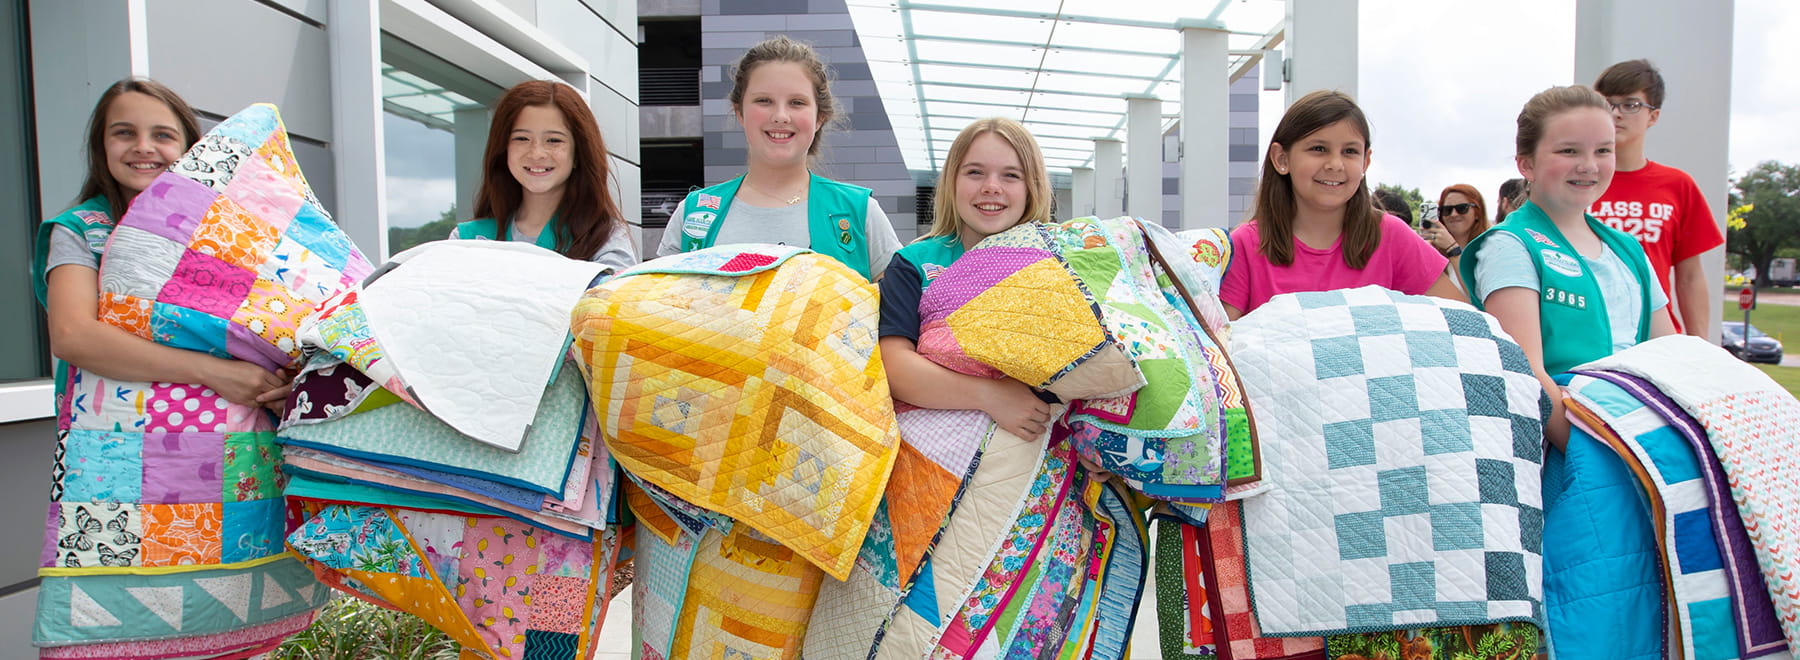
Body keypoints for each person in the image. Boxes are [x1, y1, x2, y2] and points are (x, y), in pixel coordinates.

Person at [33, 78, 290, 408]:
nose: (143, 146)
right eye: (124, 132)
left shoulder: (228, 231)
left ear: (191, 150)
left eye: (162, 135)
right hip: (111, 437)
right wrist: (214, 372)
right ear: (101, 146)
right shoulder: (80, 229)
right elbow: (73, 336)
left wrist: (284, 383)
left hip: (237, 443)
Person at [1460, 85, 1674, 449]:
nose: (1589, 165)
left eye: (1603, 150)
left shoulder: (1629, 250)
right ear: (1526, 163)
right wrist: (1593, 455)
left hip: (1641, 445)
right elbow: (1525, 372)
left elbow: (1670, 355)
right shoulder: (1511, 246)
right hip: (1569, 451)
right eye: (1569, 151)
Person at [656, 35, 902, 281]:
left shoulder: (858, 212)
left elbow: (899, 311)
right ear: (739, 112)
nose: (781, 115)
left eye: (797, 102)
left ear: (819, 117)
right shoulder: (693, 213)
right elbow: (655, 307)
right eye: (764, 101)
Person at [877, 117, 1054, 440]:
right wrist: (990, 396)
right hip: (932, 452)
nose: (991, 186)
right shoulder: (912, 263)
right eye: (975, 172)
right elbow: (894, 366)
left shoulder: (1059, 263)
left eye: (1011, 175)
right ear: (951, 182)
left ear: (1033, 187)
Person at [1219, 90, 1462, 319]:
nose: (1335, 164)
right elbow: (1215, 347)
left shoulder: (1392, 236)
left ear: (1366, 162)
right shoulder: (1245, 246)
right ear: (1281, 158)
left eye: (1349, 151)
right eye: (1318, 149)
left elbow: (1461, 320)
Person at [1588, 59, 1723, 335]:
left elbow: (1690, 277)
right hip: (1586, 334)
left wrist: (1700, 347)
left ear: (1654, 116)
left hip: (1654, 336)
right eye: (1607, 103)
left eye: (1631, 104)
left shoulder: (1677, 185)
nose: (1616, 114)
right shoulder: (1576, 180)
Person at [452, 80, 636, 271]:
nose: (537, 153)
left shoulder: (605, 238)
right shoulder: (466, 240)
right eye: (521, 138)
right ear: (503, 148)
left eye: (554, 140)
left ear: (578, 153)